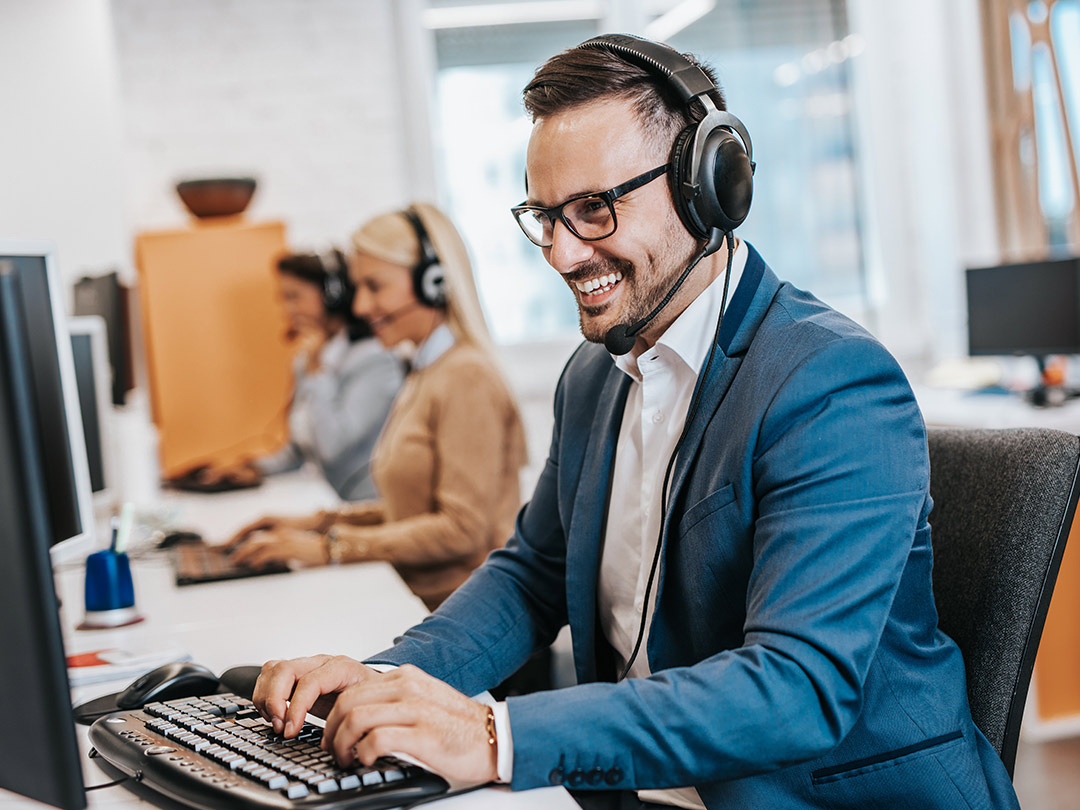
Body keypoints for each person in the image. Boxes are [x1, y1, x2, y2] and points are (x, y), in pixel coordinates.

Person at [250, 35, 1021, 810]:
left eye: (594, 209)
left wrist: (495, 738)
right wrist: (382, 680)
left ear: (707, 188)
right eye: (546, 216)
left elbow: (797, 689)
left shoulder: (829, 383)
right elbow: (533, 574)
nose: (561, 253)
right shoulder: (593, 375)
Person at [229, 203, 528, 612]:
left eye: (375, 286)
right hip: (425, 601)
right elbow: (412, 510)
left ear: (433, 281)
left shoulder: (466, 377)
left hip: (465, 615)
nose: (360, 307)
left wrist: (331, 547)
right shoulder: (427, 371)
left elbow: (462, 530)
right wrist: (316, 525)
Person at [199, 250, 404, 501]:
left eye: (295, 297)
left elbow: (331, 447)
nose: (288, 309)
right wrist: (252, 468)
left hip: (368, 506)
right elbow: (301, 449)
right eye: (283, 299)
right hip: (327, 501)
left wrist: (317, 371)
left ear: (333, 296)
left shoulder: (375, 361)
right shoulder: (305, 360)